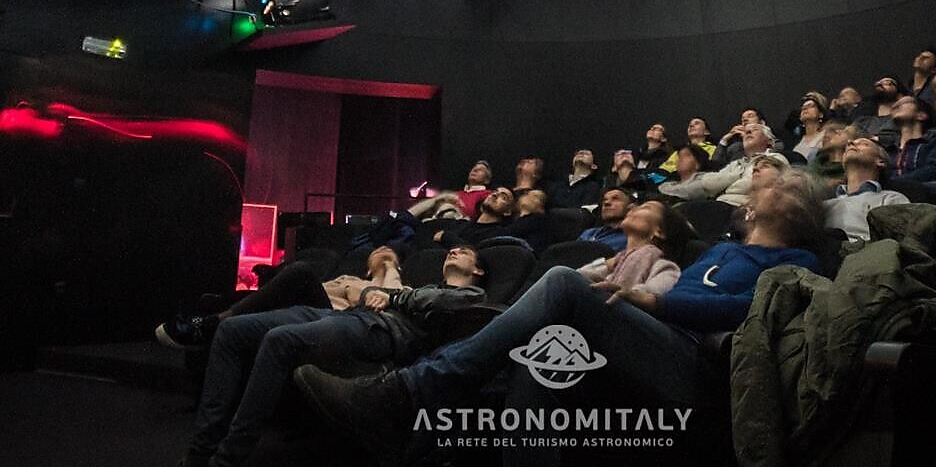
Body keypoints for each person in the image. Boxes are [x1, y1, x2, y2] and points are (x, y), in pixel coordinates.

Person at [294, 185, 825, 459]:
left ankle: (407, 393)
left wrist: (654, 303)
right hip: (662, 342)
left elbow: (744, 312)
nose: (777, 189)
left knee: (565, 284)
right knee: (543, 350)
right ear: (751, 213)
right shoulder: (715, 252)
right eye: (774, 189)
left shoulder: (800, 262)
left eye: (789, 190)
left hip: (702, 369)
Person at [183, 246, 485, 467]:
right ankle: (199, 452)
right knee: (232, 331)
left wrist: (392, 296)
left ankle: (226, 459)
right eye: (453, 249)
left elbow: (428, 301)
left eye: (465, 252)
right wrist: (378, 294)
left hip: (378, 329)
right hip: (349, 315)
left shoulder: (473, 297)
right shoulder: (422, 288)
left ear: (478, 271)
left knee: (280, 340)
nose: (454, 250)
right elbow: (368, 295)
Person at [156, 247, 404, 350]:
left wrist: (391, 267)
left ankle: (208, 326)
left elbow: (391, 297)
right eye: (379, 251)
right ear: (367, 267)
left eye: (388, 252)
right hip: (301, 307)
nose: (383, 251)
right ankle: (204, 321)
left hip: (334, 319)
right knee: (239, 296)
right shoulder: (347, 277)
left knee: (301, 271)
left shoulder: (390, 285)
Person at [575, 198, 688, 296]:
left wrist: (629, 293)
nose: (631, 208)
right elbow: (578, 274)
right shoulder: (618, 264)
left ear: (659, 231)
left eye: (646, 207)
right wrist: (608, 264)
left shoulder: (663, 265)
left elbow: (656, 295)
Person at [659, 123, 788, 206]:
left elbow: (749, 185)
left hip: (743, 209)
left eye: (754, 130)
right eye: (746, 131)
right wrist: (737, 176)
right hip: (720, 205)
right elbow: (708, 182)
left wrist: (722, 185)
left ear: (770, 141)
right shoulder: (736, 164)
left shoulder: (775, 158)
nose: (747, 133)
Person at [823, 136, 909, 241]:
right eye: (849, 144)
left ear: (880, 162)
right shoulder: (824, 205)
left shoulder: (891, 198)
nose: (850, 142)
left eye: (863, 143)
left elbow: (901, 238)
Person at [431, 186, 525, 249]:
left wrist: (446, 237)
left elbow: (474, 253)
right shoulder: (461, 224)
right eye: (495, 191)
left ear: (507, 212)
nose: (495, 194)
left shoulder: (499, 234)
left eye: (503, 197)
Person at [891, 95, 936, 184]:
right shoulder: (888, 148)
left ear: (921, 115)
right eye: (896, 104)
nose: (895, 106)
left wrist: (893, 183)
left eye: (904, 102)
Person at [851, 76, 902, 150]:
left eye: (888, 83)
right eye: (879, 83)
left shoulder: (901, 119)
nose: (881, 84)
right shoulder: (862, 119)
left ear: (900, 95)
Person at [578, 187, 634, 252]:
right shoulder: (588, 233)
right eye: (604, 200)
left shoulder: (632, 239)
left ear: (631, 207)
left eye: (615, 199)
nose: (606, 203)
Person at [790, 91, 832, 162]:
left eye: (811, 106)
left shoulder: (827, 136)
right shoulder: (794, 140)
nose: (805, 109)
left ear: (821, 114)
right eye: (803, 107)